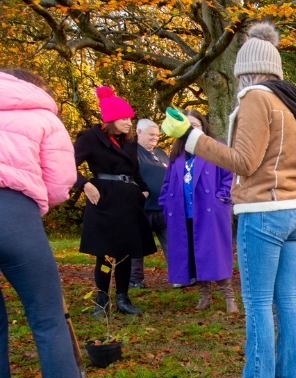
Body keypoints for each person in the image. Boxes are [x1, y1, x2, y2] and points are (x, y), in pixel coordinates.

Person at [161, 22, 296, 378]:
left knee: (258, 301)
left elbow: (244, 162)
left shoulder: (255, 99)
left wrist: (192, 139)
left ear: (244, 69)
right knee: (286, 299)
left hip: (263, 211)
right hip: (294, 211)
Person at [0, 68, 109, 378]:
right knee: (46, 315)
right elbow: (62, 182)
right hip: (14, 212)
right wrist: (36, 202)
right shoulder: (42, 116)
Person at [74, 85, 156, 316]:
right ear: (111, 118)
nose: (129, 123)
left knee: (126, 251)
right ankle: (102, 298)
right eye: (124, 118)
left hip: (129, 201)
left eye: (130, 118)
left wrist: (144, 190)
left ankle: (123, 298)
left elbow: (135, 171)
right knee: (105, 251)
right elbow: (67, 165)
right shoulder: (89, 138)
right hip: (104, 198)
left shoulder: (128, 143)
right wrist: (85, 184)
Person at [159, 110, 236, 313]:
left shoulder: (216, 149)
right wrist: (166, 204)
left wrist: (221, 197)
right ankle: (204, 297)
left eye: (196, 125)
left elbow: (232, 175)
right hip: (183, 214)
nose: (192, 129)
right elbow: (167, 183)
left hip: (210, 212)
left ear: (203, 127)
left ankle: (229, 298)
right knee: (194, 255)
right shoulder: (177, 154)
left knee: (215, 254)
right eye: (188, 125)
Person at [130, 118, 170, 289]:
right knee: (137, 247)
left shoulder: (161, 153)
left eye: (157, 135)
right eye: (151, 134)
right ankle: (135, 279)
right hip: (142, 209)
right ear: (139, 132)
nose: (155, 138)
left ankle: (179, 276)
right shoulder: (132, 152)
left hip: (164, 209)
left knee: (172, 243)